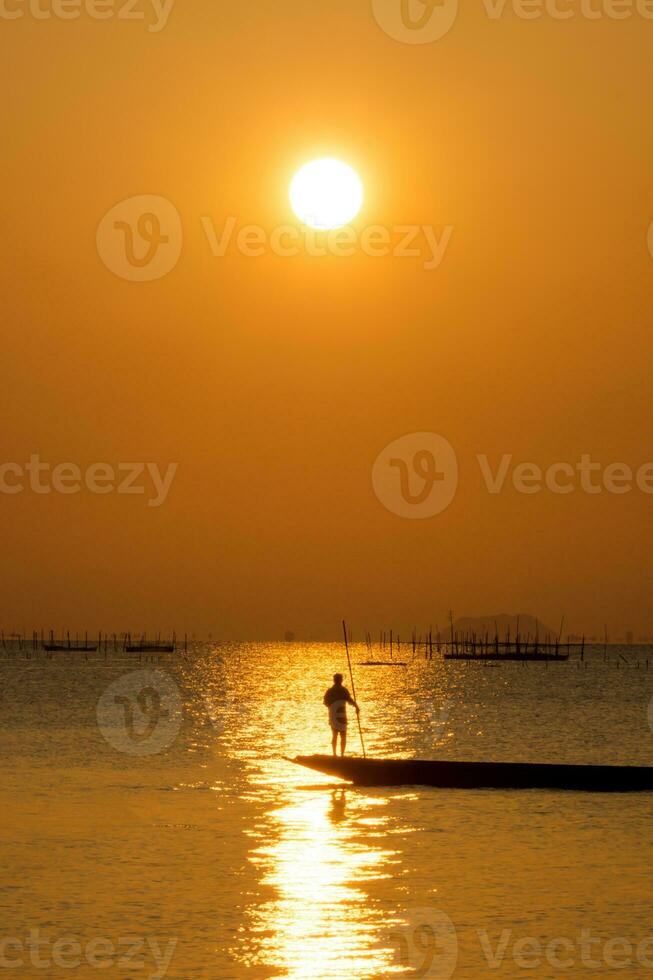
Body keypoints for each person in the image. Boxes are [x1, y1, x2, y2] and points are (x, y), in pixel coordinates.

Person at [323, 673, 360, 757]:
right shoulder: (343, 690)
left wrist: (331, 707)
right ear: (340, 680)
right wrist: (356, 707)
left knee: (335, 734)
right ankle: (341, 755)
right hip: (340, 714)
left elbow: (325, 702)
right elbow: (350, 700)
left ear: (334, 680)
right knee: (342, 735)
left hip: (334, 714)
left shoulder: (330, 691)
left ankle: (335, 754)